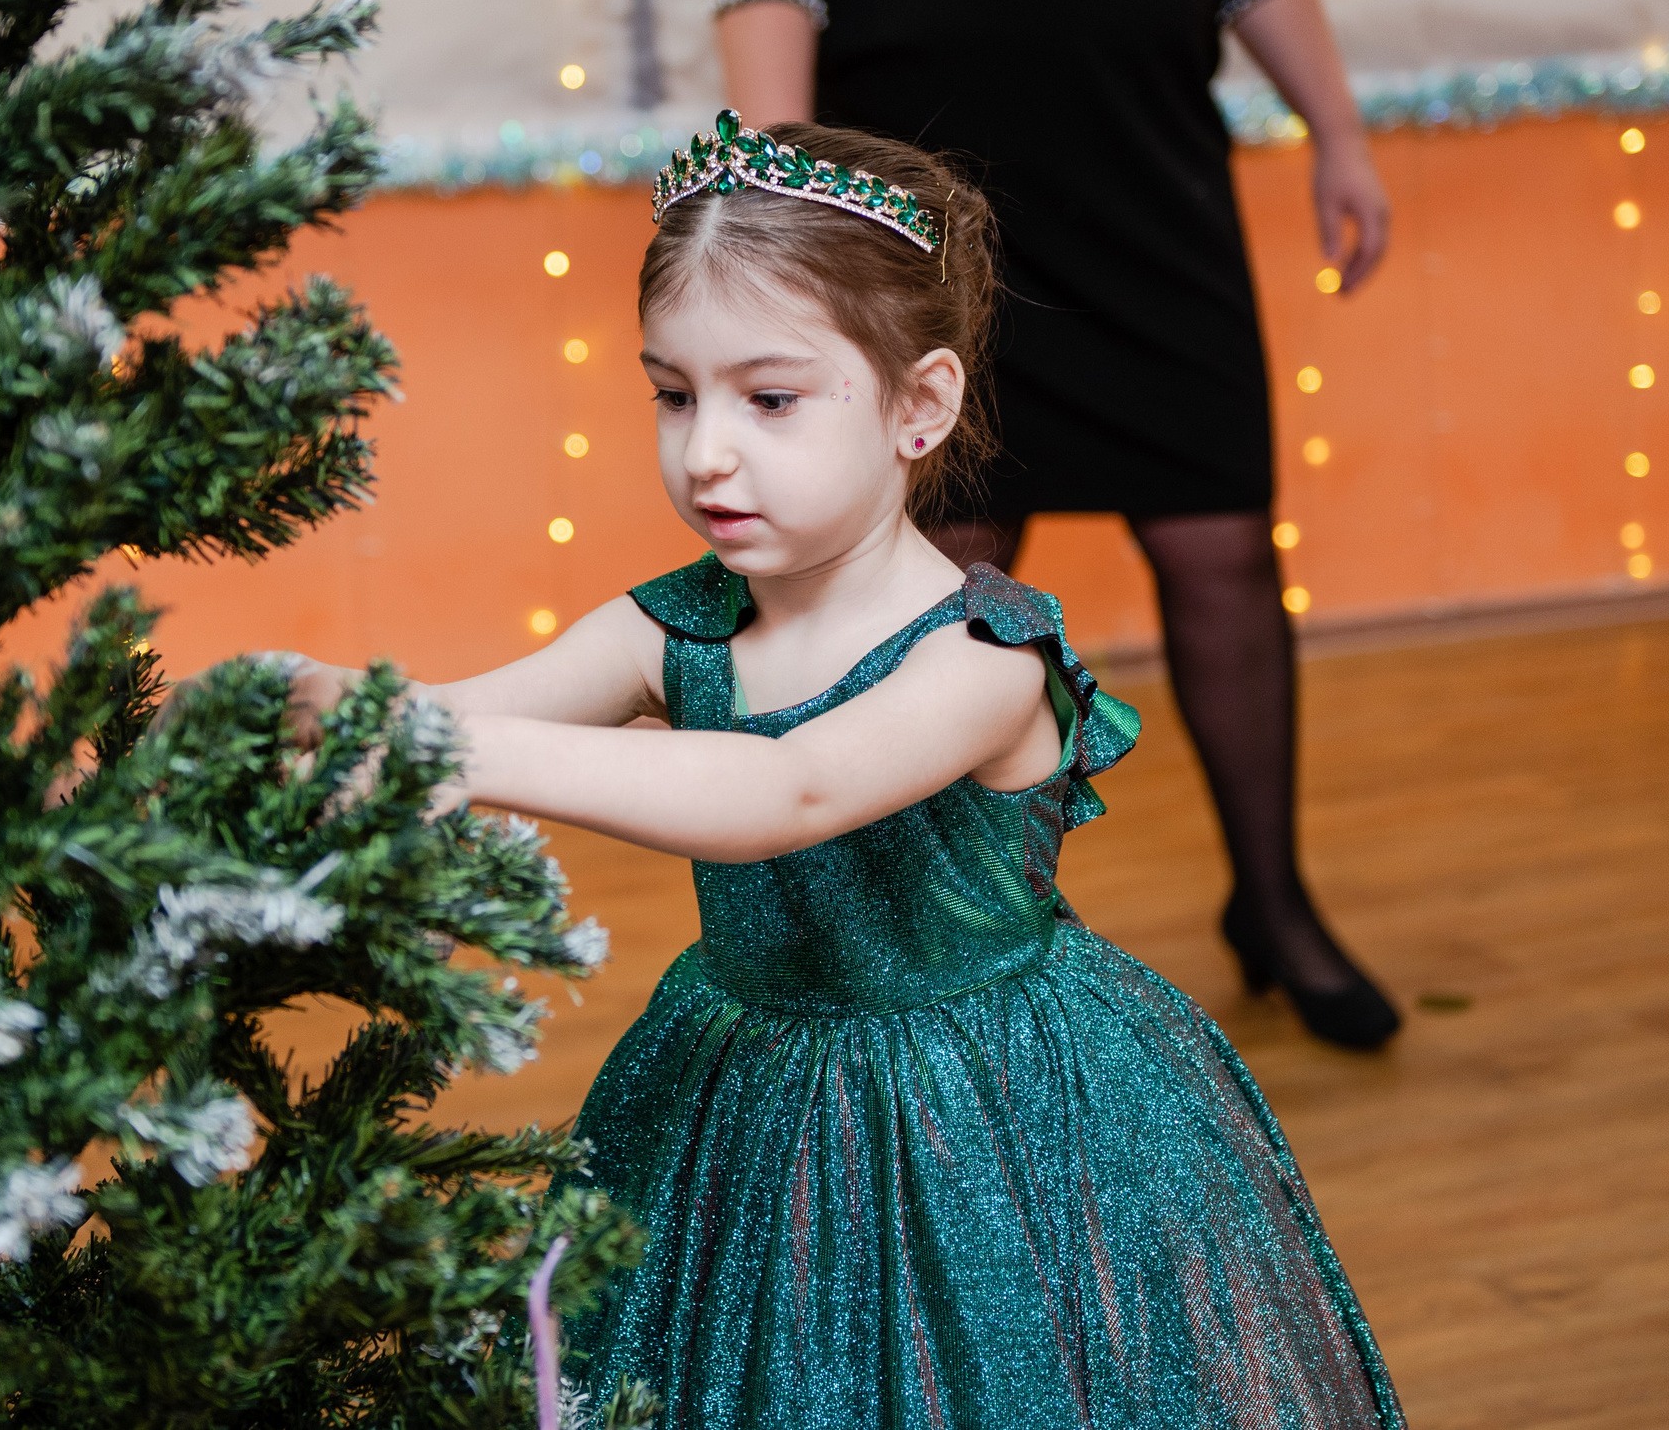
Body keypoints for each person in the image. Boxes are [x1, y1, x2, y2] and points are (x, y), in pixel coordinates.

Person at [275, 116, 1403, 1427]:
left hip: (983, 1111)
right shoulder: (678, 625)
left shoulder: (983, 658)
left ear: (919, 406)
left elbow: (785, 793)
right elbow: (461, 718)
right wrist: (314, 713)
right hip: (740, 1087)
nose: (706, 453)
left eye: (770, 399)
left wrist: (445, 752)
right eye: (673, 393)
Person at [711, 0, 1400, 1048]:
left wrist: (1341, 134)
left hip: (1151, 186)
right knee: (959, 582)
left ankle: (1275, 905)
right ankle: (970, 945)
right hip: (930, 220)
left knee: (1223, 548)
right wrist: (787, 214)